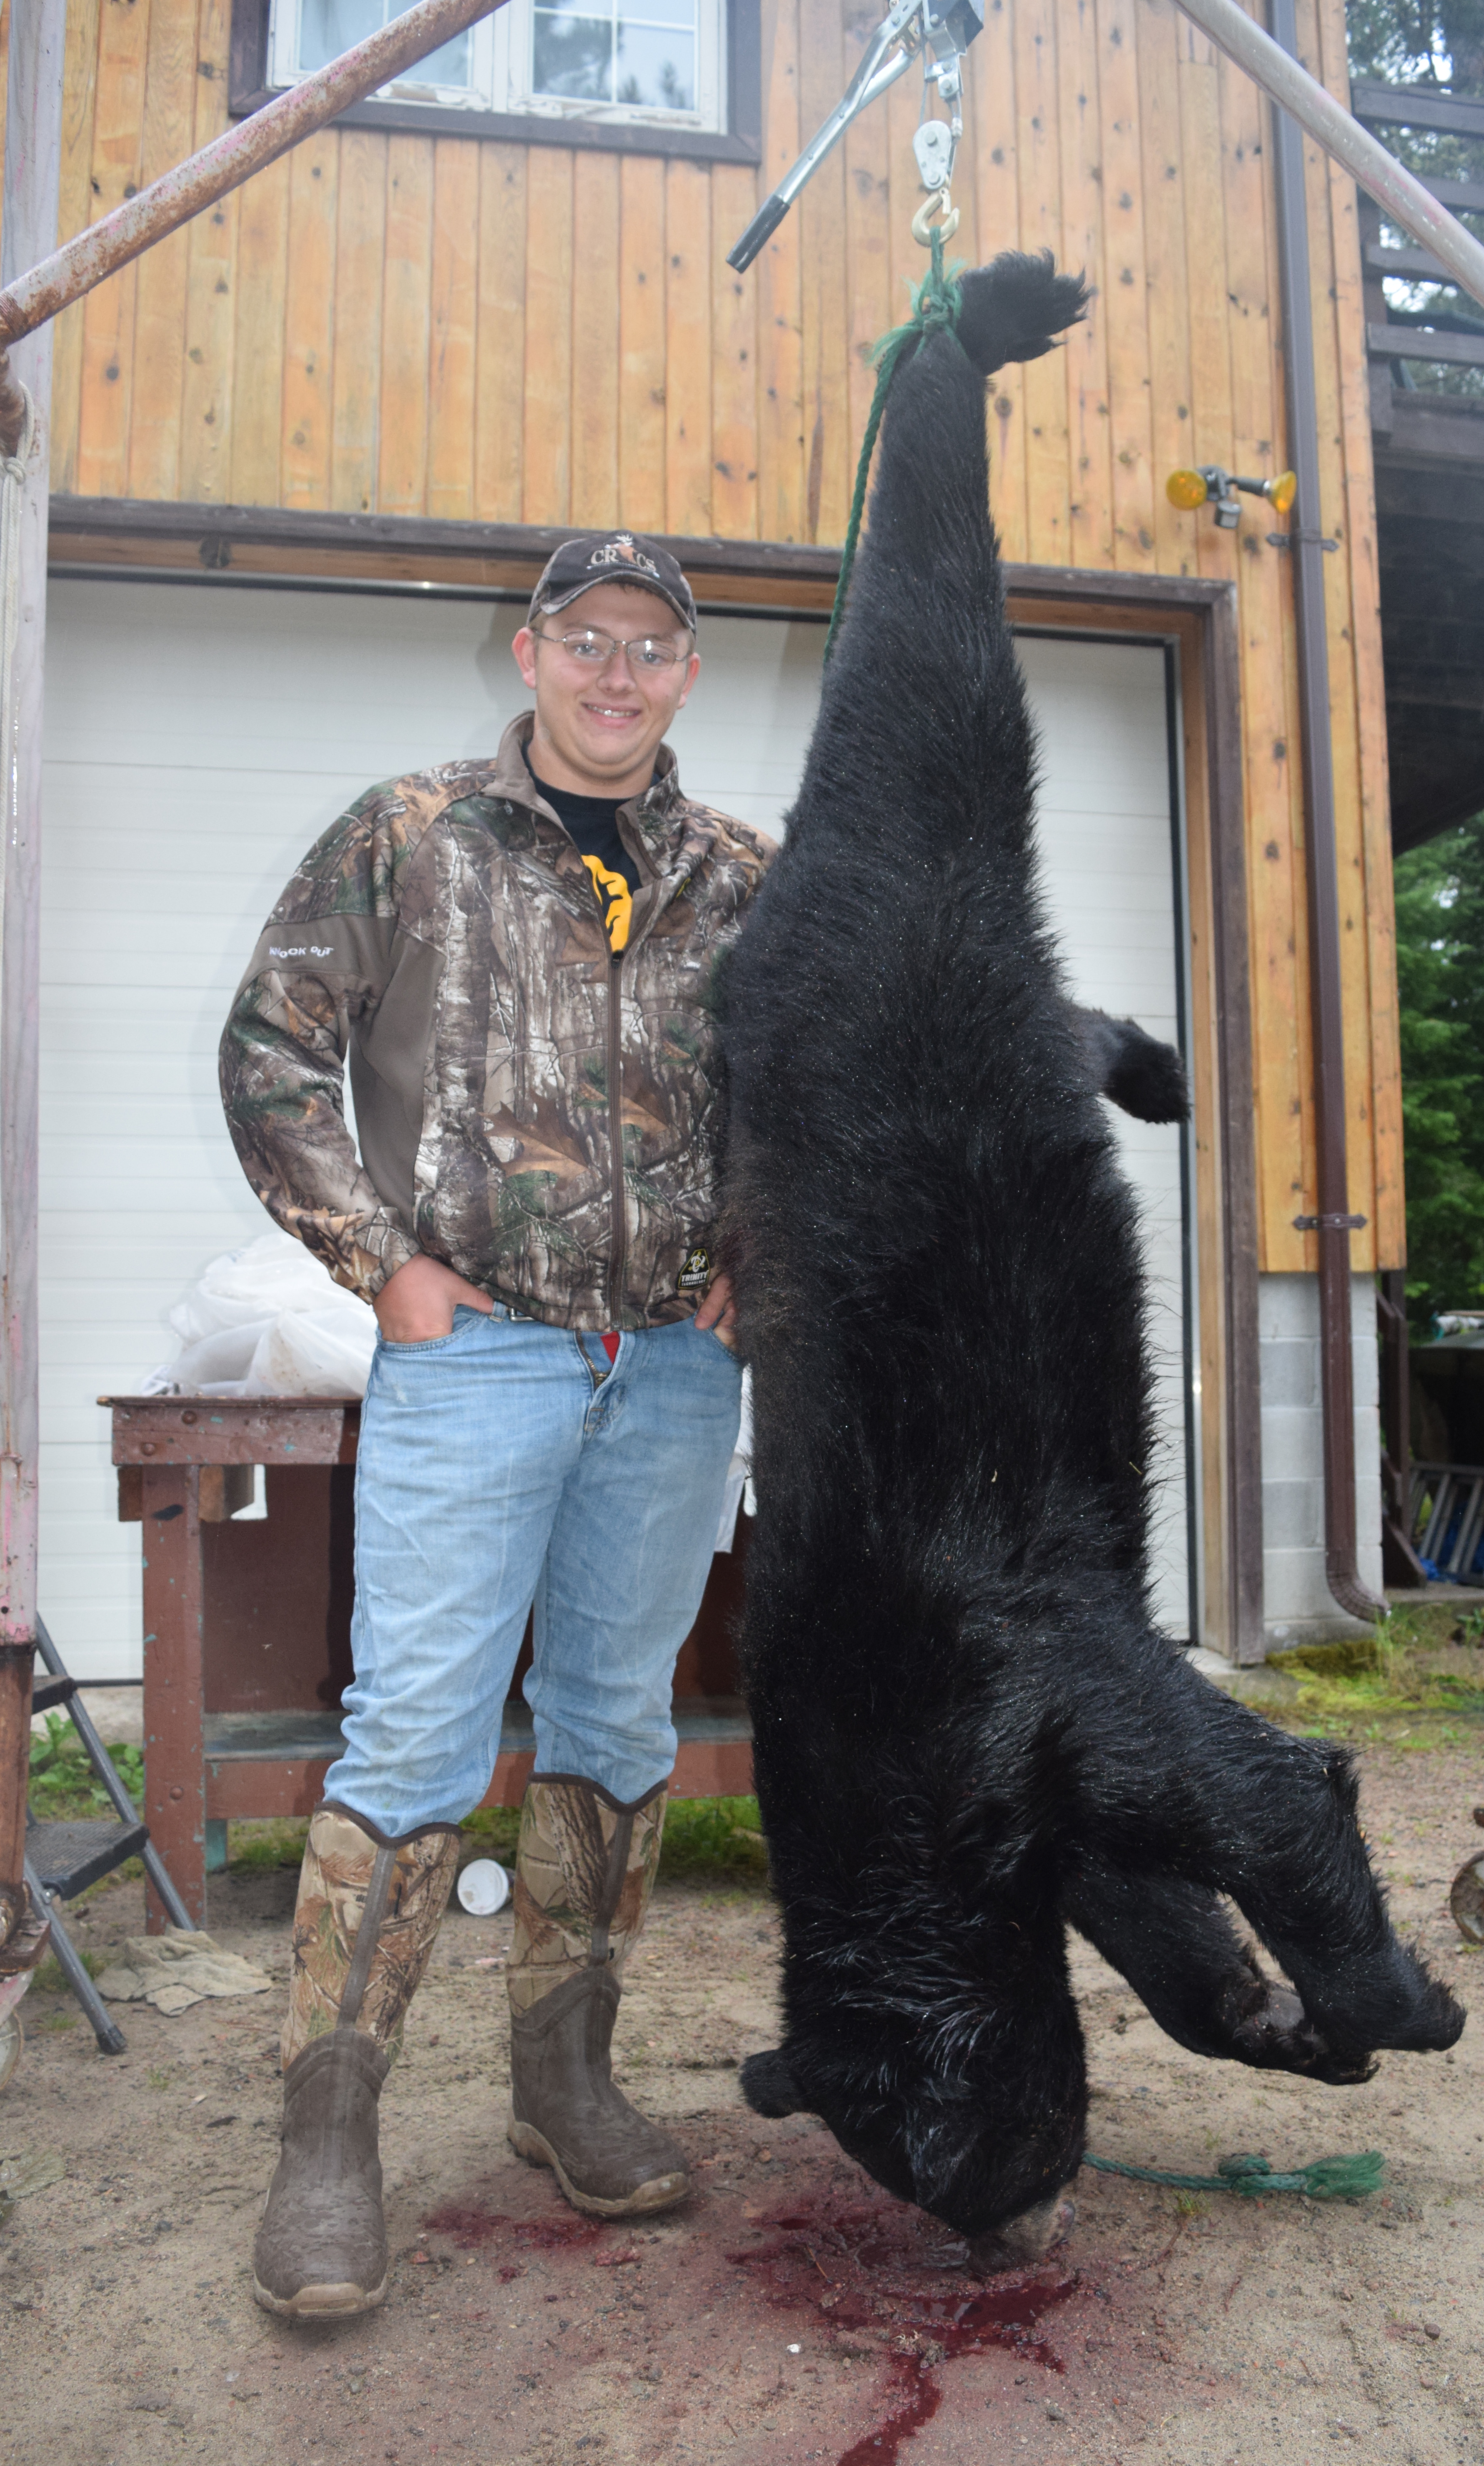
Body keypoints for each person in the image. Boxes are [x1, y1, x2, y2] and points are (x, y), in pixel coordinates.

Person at [219, 531, 774, 2321]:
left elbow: (822, 1085)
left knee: (619, 1723)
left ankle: (565, 2080)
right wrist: (381, 1264)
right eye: (588, 640)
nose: (619, 674)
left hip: (675, 1373)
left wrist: (760, 1255)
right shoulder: (410, 831)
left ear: (690, 675)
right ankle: (327, 2146)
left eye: (654, 648)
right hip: (477, 1358)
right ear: (528, 654)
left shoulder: (747, 876)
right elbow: (274, 1046)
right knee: (415, 1742)